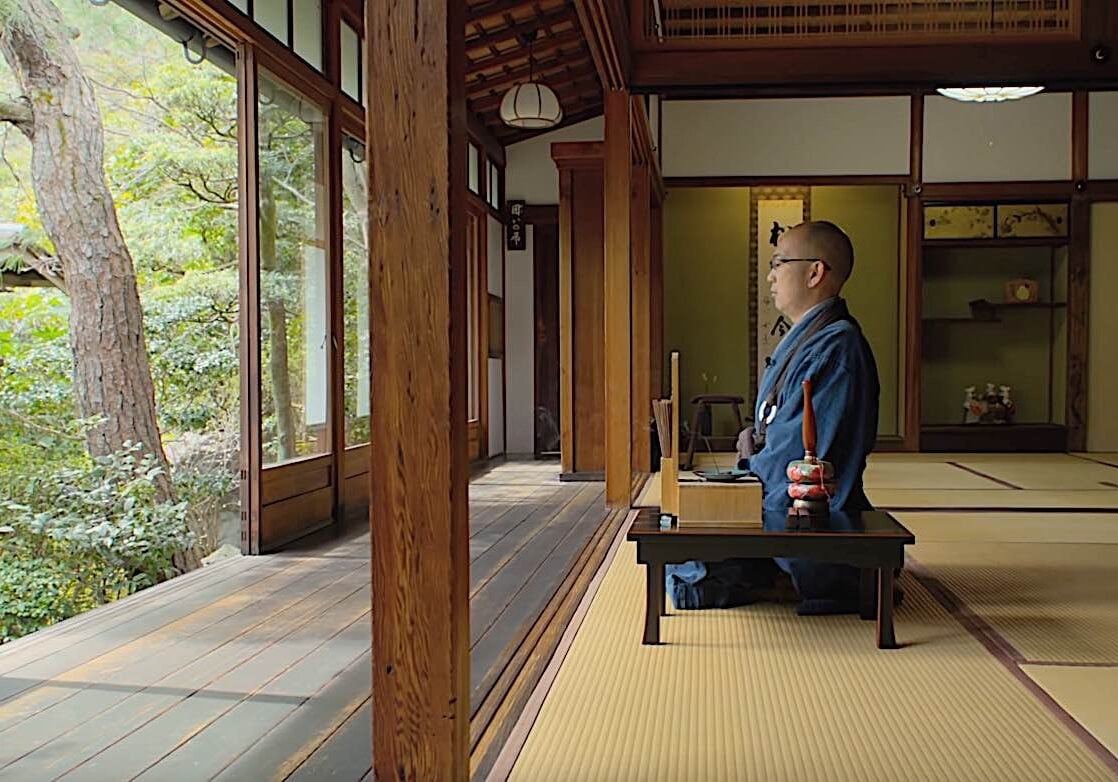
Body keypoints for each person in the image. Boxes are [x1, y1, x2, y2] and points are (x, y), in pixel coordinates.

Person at [667, 220, 881, 614]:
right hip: (776, 493)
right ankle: (774, 575)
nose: (771, 275)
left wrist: (743, 481)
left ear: (815, 272)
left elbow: (799, 461)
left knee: (685, 571)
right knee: (677, 536)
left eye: (779, 263)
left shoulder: (837, 347)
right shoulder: (813, 337)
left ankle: (797, 576)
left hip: (803, 516)